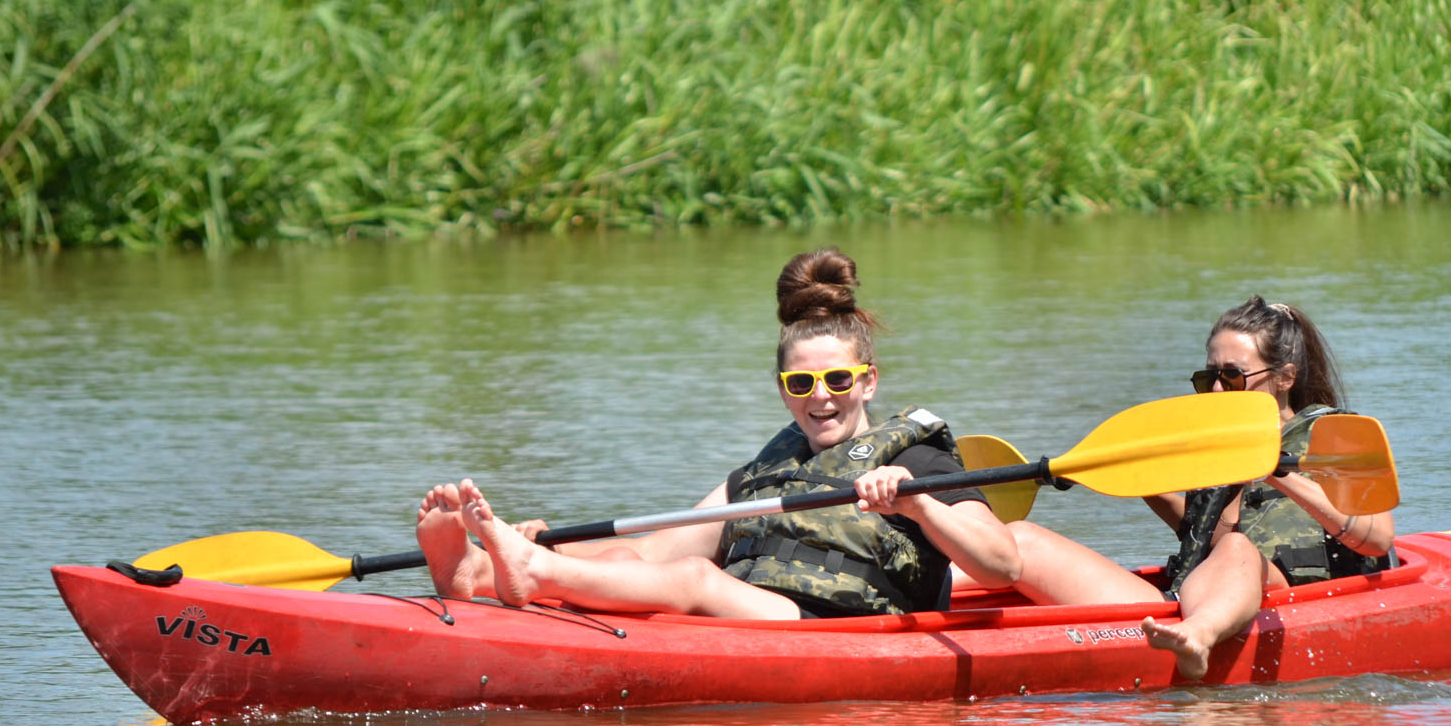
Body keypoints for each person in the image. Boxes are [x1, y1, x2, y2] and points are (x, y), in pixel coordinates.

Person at [414, 248, 1020, 619]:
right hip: (758, 608)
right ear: (782, 388)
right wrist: (551, 542)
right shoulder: (765, 474)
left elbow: (1002, 567)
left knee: (696, 581)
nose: (822, 397)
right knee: (630, 555)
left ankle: (531, 576)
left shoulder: (919, 457)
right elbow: (657, 544)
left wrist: (916, 503)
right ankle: (479, 573)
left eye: (837, 378)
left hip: (835, 625)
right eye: (801, 383)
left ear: (868, 381)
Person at [1003, 295, 1395, 679]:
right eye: (1210, 377)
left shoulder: (1335, 437)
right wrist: (1139, 478)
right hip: (1187, 601)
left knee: (1236, 546)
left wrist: (1275, 470)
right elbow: (1198, 533)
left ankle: (1198, 637)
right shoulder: (1213, 446)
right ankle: (941, 599)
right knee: (1020, 539)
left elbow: (1377, 540)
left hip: (1287, 603)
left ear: (1284, 378)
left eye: (1233, 376)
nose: (1218, 391)